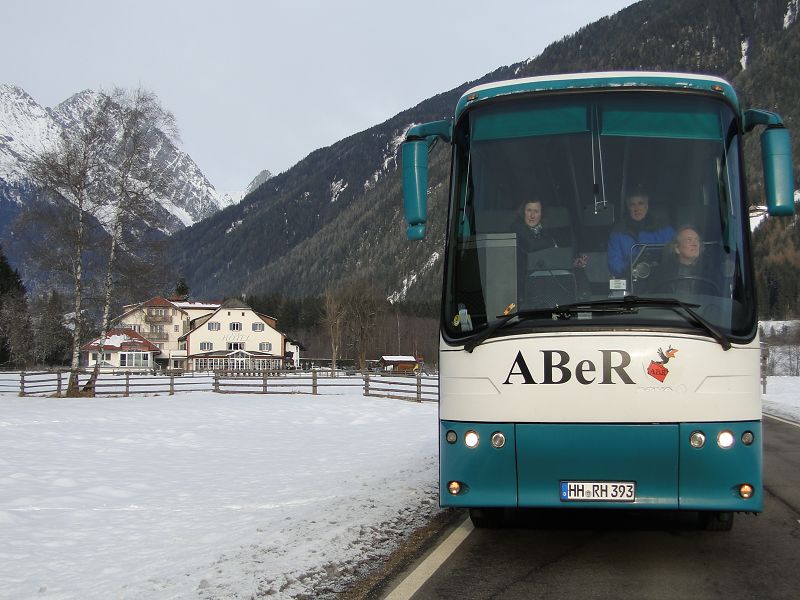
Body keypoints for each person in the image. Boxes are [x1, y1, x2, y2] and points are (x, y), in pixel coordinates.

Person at [607, 192, 674, 279]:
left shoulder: (663, 228)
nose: (637, 208)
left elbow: (675, 252)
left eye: (640, 203)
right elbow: (614, 262)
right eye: (632, 205)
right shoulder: (618, 233)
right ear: (628, 208)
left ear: (647, 206)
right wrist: (631, 271)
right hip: (631, 279)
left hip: (661, 279)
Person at [654, 226, 718, 295]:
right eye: (689, 240)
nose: (695, 244)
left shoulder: (710, 273)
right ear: (677, 248)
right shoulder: (661, 273)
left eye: (697, 240)